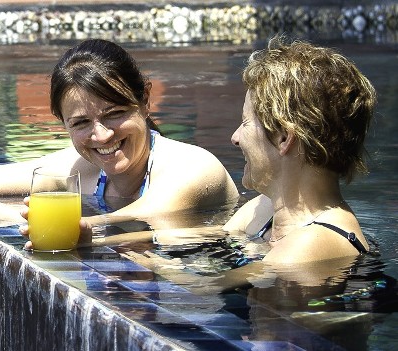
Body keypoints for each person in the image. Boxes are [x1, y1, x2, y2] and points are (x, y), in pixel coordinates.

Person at [0, 39, 239, 243]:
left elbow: (120, 227)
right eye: (81, 123)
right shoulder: (83, 167)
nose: (102, 136)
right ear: (64, 124)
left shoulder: (191, 168)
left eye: (115, 113)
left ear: (145, 100)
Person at [121, 36, 376, 289]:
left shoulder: (313, 241)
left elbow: (207, 288)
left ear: (284, 138)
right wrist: (98, 238)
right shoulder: (265, 209)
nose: (235, 138)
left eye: (244, 123)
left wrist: (157, 265)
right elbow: (199, 238)